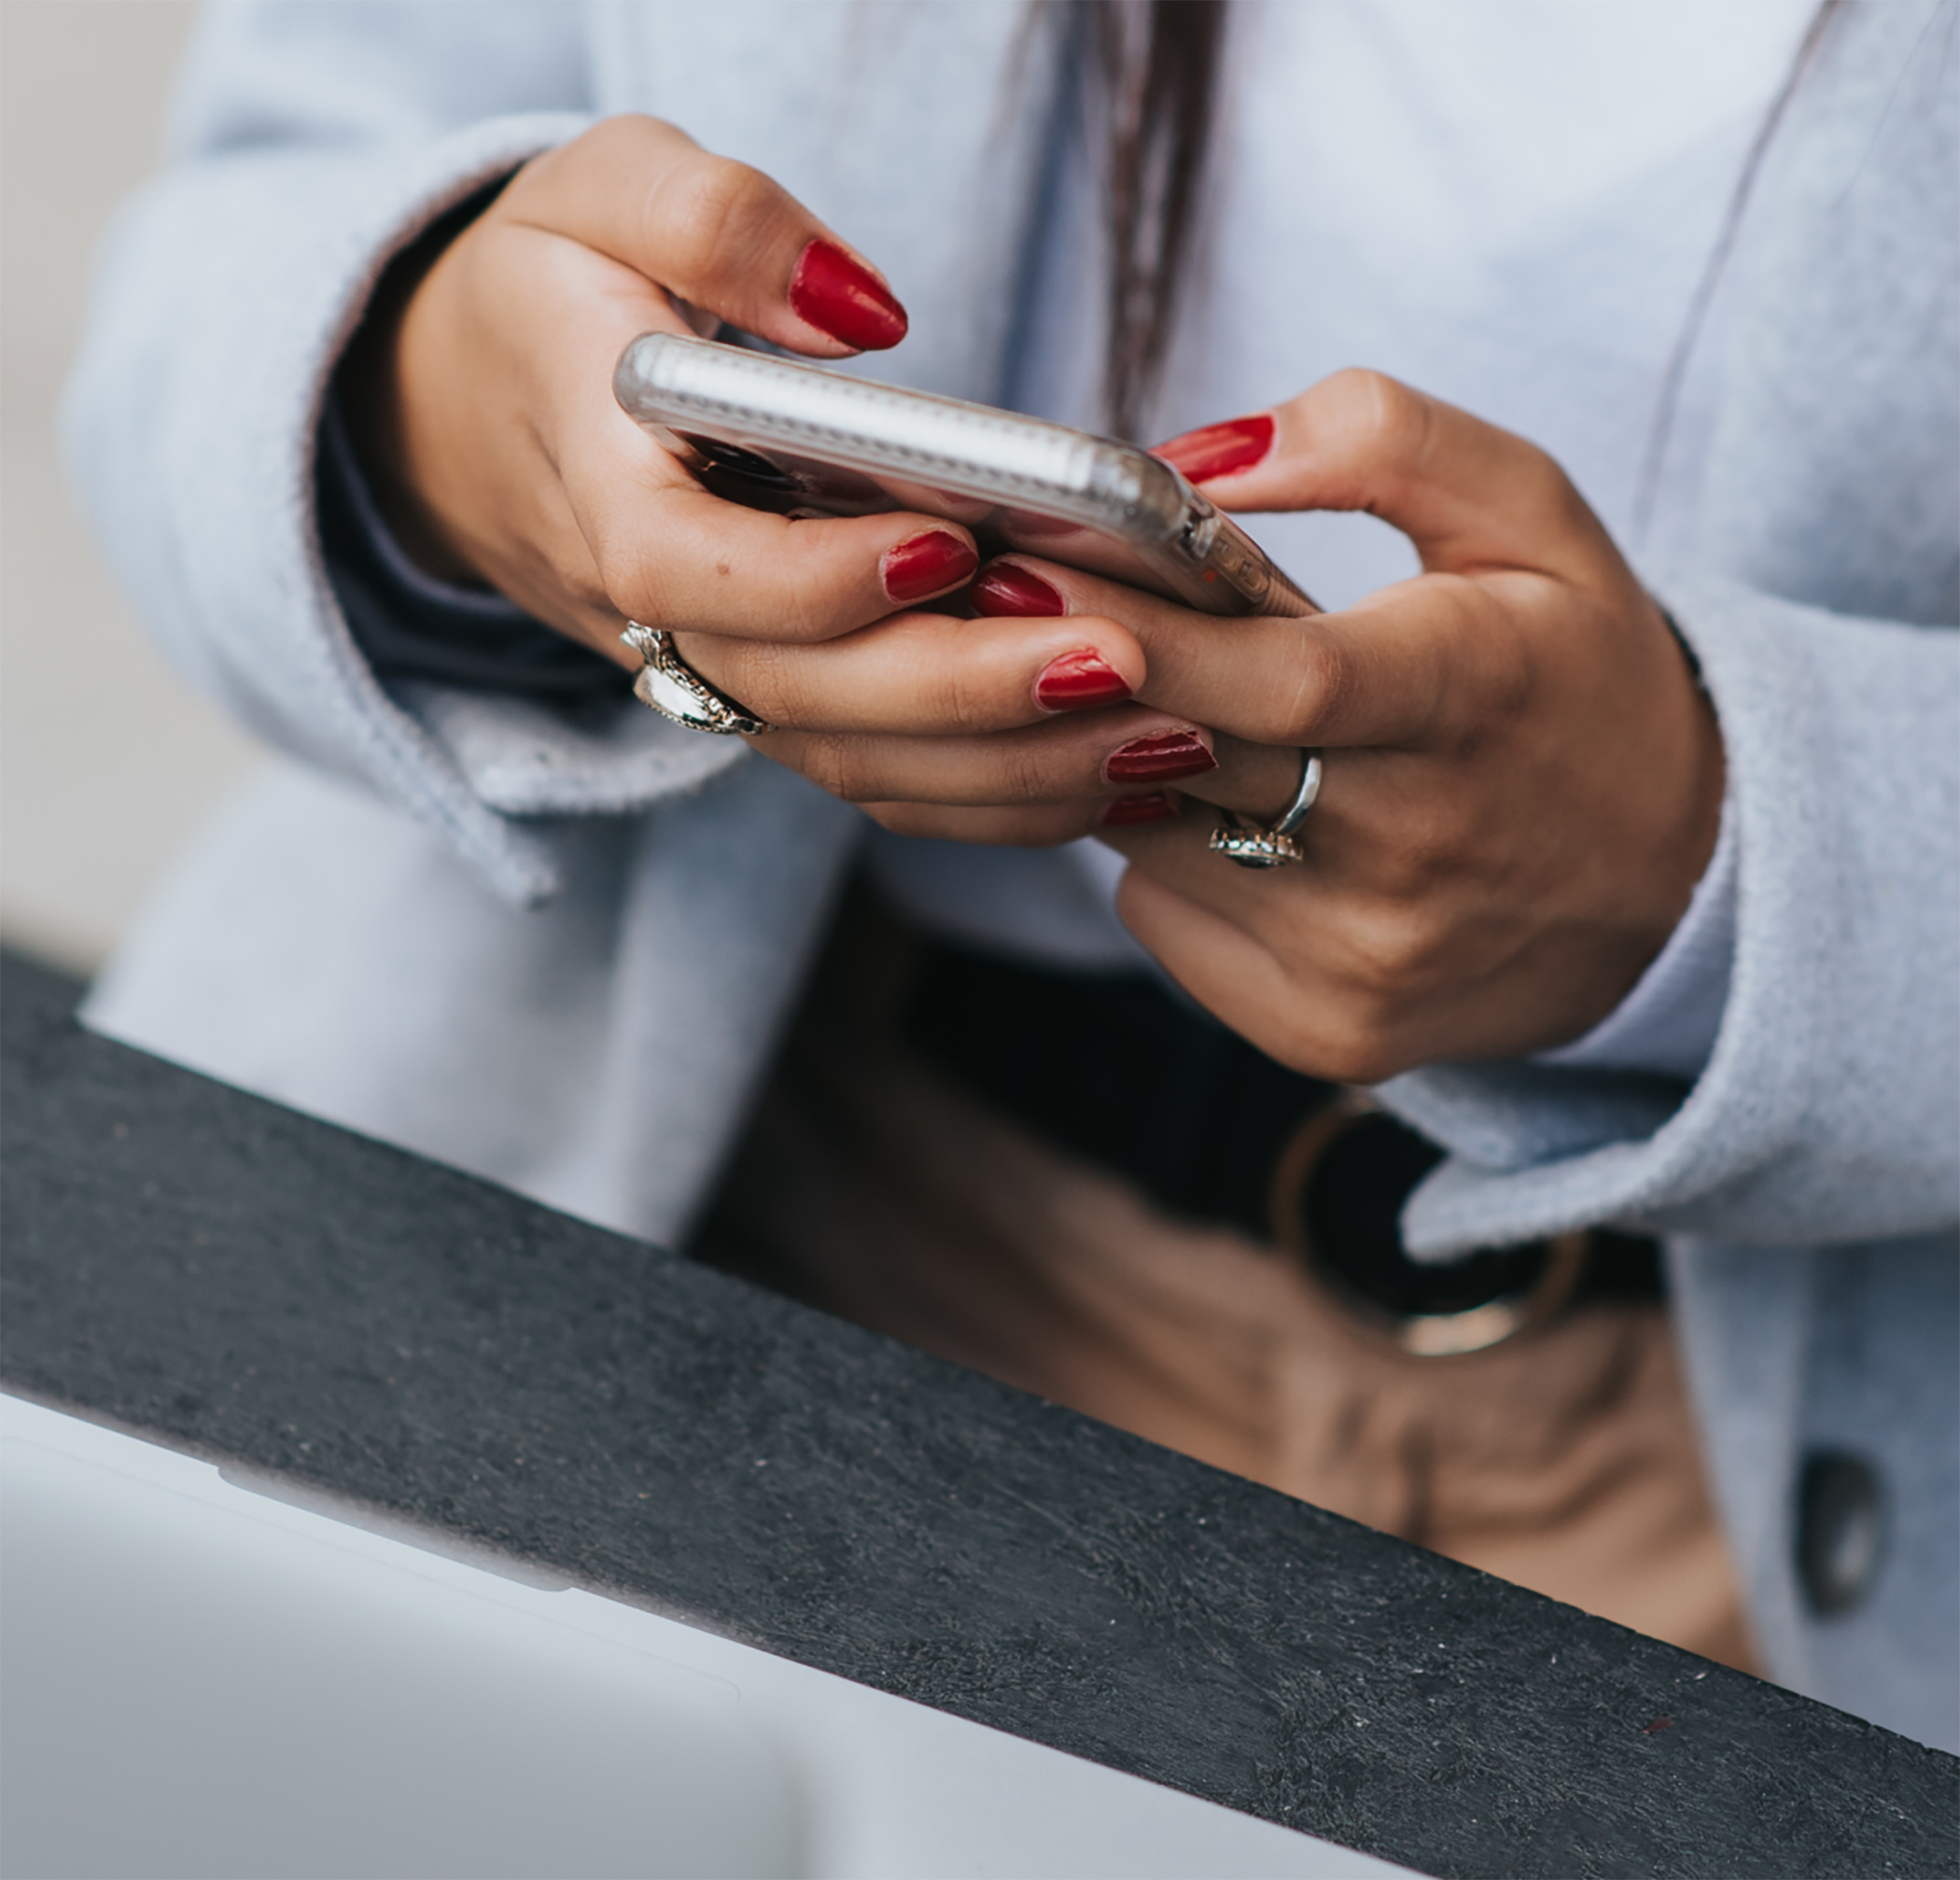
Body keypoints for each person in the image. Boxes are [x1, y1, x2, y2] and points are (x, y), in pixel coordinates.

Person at [63, 0, 1960, 1746]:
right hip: (727, 1231)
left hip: (1727, 1524)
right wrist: (445, 406)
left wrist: (1731, 867)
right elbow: (206, 272)